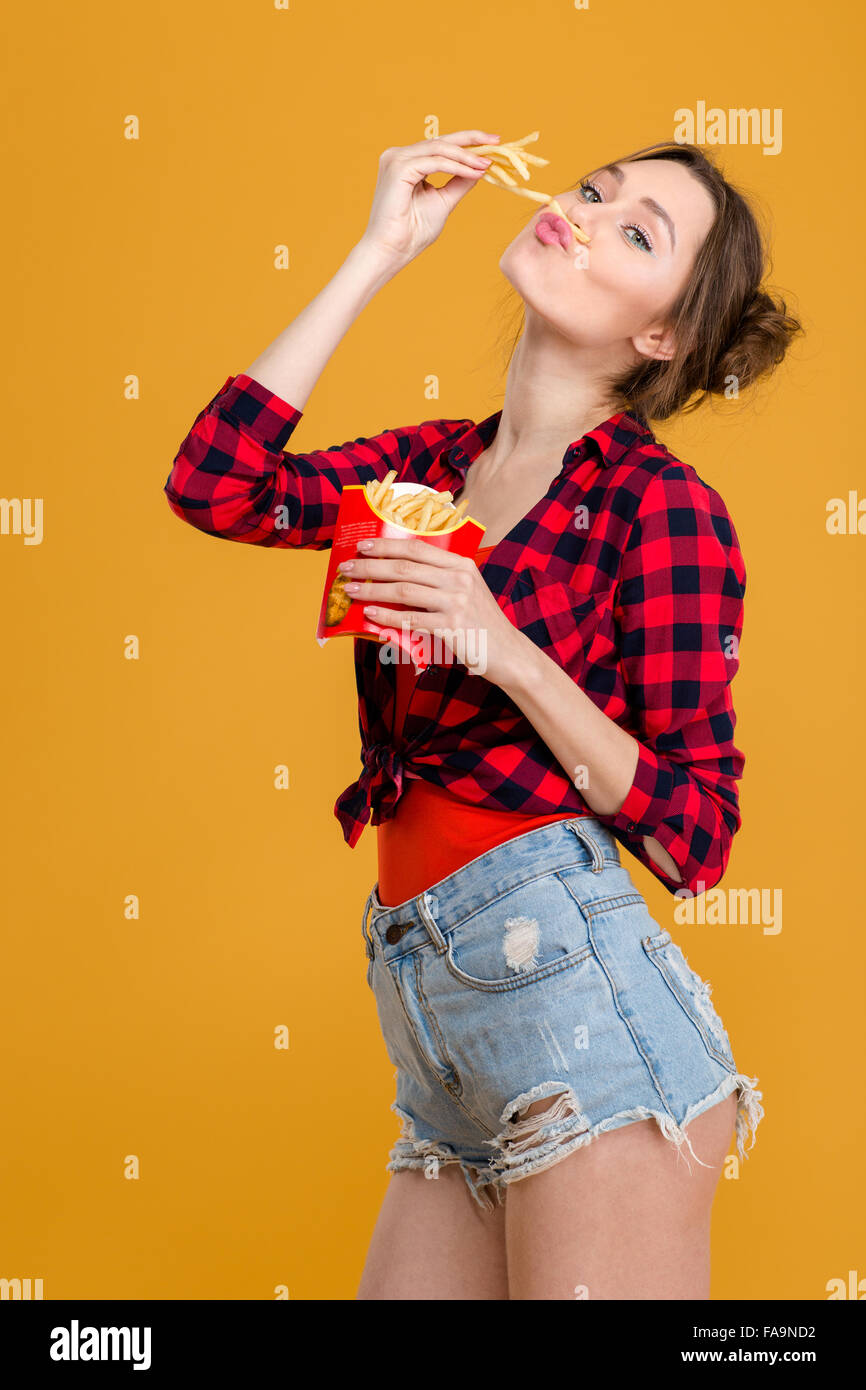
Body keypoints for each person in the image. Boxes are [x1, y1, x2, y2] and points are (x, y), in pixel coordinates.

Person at [164, 130, 802, 1299]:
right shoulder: (431, 472)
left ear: (658, 335)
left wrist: (504, 649)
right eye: (592, 190)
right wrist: (377, 251)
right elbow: (216, 484)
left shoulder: (660, 508)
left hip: (580, 1009)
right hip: (435, 1014)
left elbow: (695, 838)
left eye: (636, 231)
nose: (583, 211)